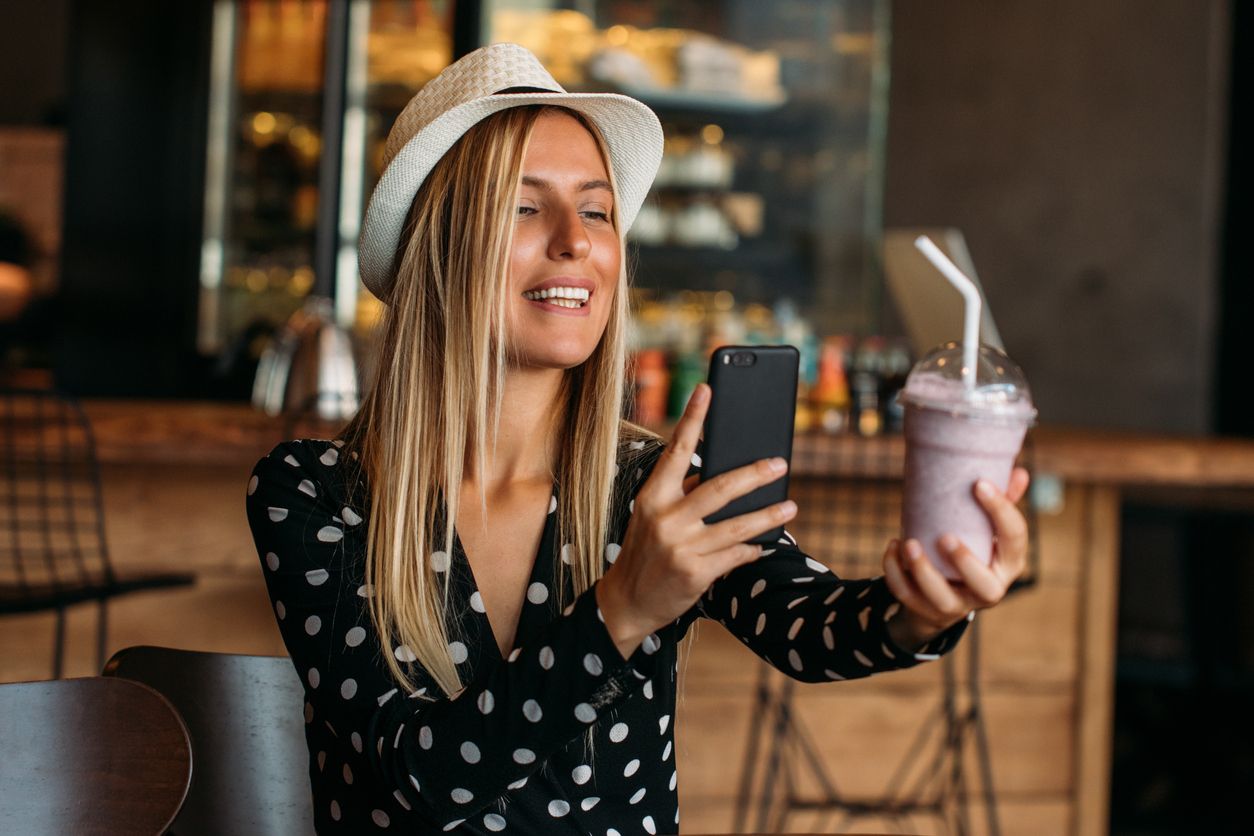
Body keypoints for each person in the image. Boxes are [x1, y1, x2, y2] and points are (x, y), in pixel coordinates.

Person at [245, 43, 1030, 835]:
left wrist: (922, 607)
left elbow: (811, 626)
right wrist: (624, 606)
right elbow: (424, 772)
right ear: (438, 248)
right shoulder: (316, 495)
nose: (575, 242)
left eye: (596, 210)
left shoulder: (649, 485)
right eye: (524, 207)